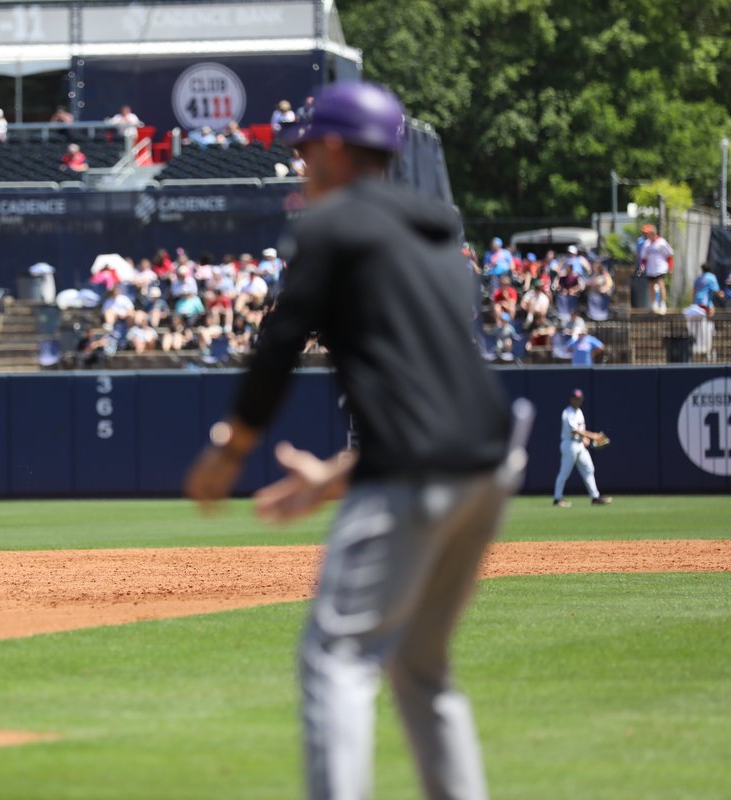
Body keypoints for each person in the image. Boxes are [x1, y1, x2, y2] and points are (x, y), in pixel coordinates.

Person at [184, 81, 526, 800]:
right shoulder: (434, 235)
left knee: (335, 656)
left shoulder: (334, 225)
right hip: (490, 464)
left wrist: (231, 448)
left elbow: (279, 340)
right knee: (422, 666)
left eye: (307, 148)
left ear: (335, 150)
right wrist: (335, 477)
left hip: (420, 469)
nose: (302, 163)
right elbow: (435, 399)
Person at [553, 389, 612, 507]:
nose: (578, 401)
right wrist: (594, 435)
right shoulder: (567, 412)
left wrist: (585, 439)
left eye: (580, 399)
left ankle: (595, 497)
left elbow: (581, 430)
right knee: (564, 472)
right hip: (569, 445)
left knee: (589, 469)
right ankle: (557, 499)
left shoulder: (579, 412)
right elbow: (574, 430)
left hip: (579, 444)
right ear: (571, 399)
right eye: (576, 398)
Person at [637, 224, 673, 314]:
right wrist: (642, 266)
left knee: (660, 284)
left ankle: (663, 304)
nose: (647, 235)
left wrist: (670, 267)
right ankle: (654, 304)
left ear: (654, 233)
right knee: (651, 286)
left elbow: (669, 255)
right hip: (651, 269)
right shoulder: (646, 244)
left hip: (661, 267)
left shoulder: (662, 242)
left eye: (649, 233)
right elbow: (643, 258)